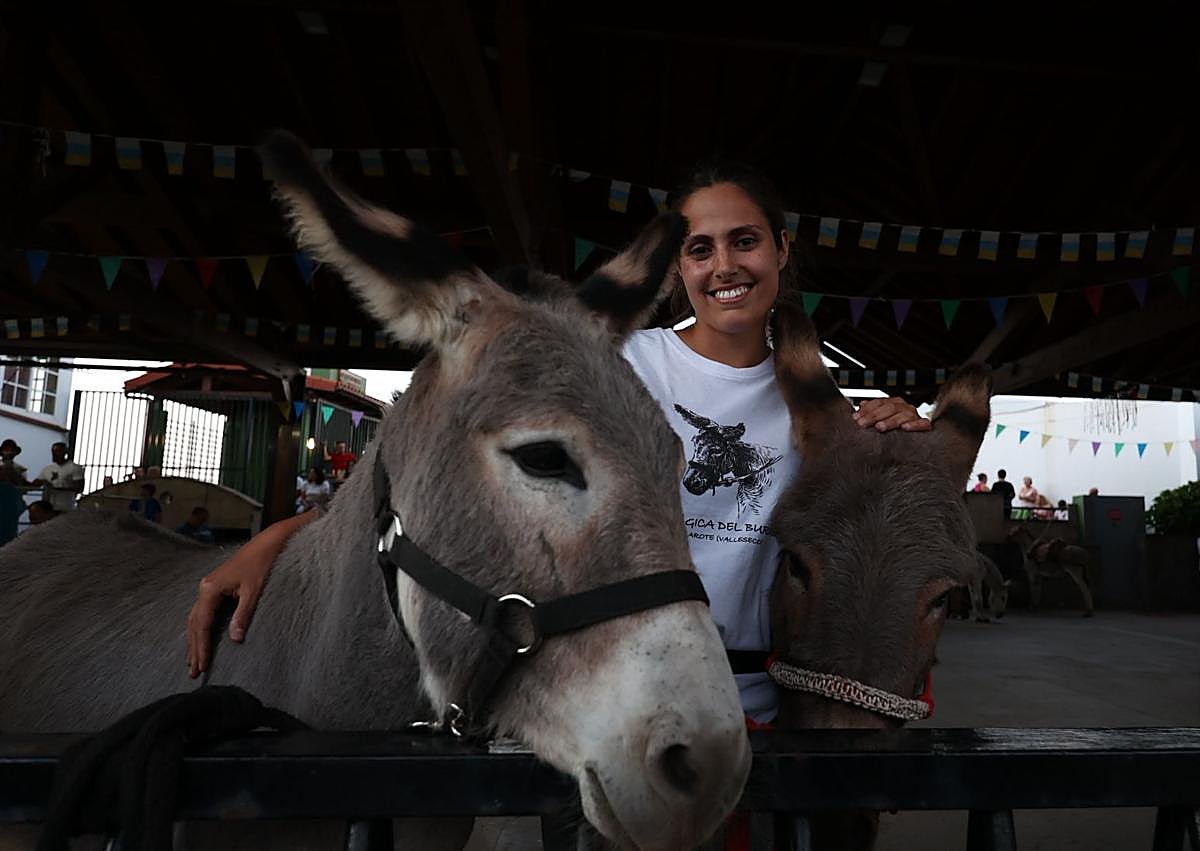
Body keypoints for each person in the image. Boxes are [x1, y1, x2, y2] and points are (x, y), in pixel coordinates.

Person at [182, 160, 930, 726]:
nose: (725, 265)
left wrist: (906, 447)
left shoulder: (819, 405)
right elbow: (453, 477)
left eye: (746, 241)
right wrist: (282, 537)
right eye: (700, 248)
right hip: (613, 692)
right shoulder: (614, 365)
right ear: (677, 268)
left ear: (782, 248)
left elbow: (868, 544)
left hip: (761, 706)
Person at [32, 442, 85, 513]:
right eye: (53, 451)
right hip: (48, 507)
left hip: (66, 506)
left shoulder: (74, 468)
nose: (54, 454)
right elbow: (36, 483)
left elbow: (79, 488)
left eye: (58, 451)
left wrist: (56, 488)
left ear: (65, 452)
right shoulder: (47, 469)